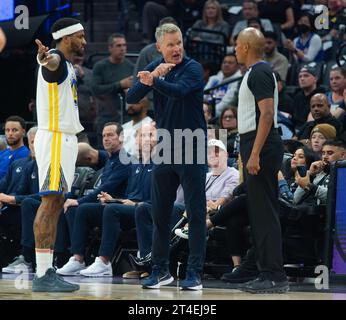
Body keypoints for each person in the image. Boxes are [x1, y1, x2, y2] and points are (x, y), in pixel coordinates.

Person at [127, 23, 207, 290]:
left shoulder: (193, 68)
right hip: (165, 148)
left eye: (179, 42)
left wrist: (156, 80)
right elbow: (132, 96)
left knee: (196, 213)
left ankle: (194, 273)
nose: (176, 49)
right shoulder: (156, 66)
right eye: (170, 44)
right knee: (159, 213)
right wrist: (153, 74)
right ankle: (160, 270)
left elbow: (180, 91)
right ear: (159, 47)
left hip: (192, 145)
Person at [32, 17, 86, 292]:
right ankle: (42, 274)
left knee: (56, 203)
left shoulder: (68, 66)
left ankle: (47, 269)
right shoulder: (56, 60)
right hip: (54, 137)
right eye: (80, 36)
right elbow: (49, 62)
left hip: (63, 139)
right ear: (66, 38)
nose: (84, 41)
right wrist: (45, 57)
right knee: (49, 201)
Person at [233, 27, 289, 293]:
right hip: (253, 142)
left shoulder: (261, 71)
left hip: (261, 144)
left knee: (265, 213)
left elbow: (267, 115)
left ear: (245, 47)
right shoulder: (254, 73)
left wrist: (254, 153)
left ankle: (274, 276)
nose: (234, 50)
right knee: (259, 213)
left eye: (236, 45)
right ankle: (263, 270)